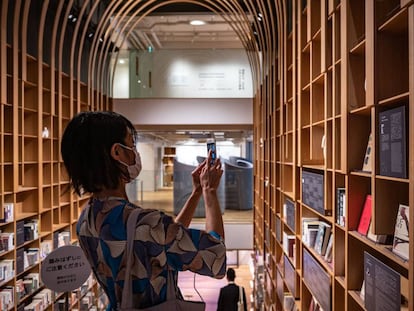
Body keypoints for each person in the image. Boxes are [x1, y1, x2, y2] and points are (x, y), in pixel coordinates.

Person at [61, 111, 226, 310]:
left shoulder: (86, 220)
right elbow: (217, 261)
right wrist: (210, 192)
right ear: (117, 152)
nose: (134, 152)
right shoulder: (145, 223)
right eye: (131, 144)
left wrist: (195, 194)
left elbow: (161, 242)